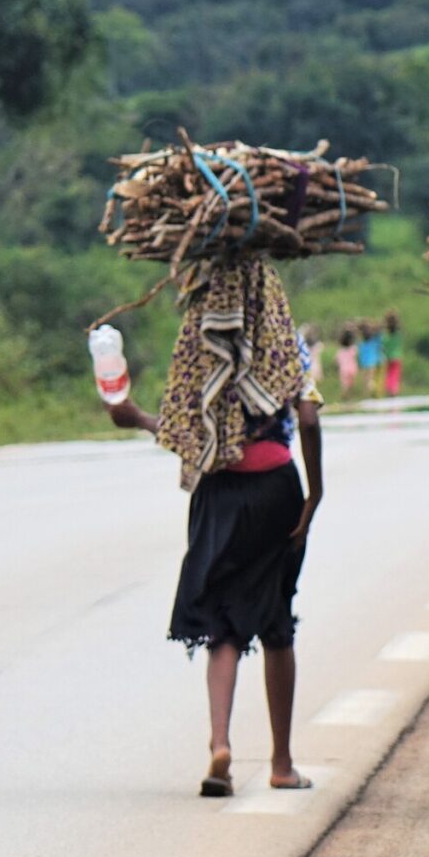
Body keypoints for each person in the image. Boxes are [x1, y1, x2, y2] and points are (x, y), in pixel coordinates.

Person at [103, 258, 324, 797]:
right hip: (276, 487)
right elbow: (310, 418)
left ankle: (219, 744)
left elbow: (184, 432)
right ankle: (281, 763)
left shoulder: (197, 348)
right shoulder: (282, 343)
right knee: (276, 623)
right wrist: (315, 492)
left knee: (222, 625)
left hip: (218, 494)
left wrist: (134, 417)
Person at [332, 321, 361, 399]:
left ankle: (345, 397)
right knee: (351, 385)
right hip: (352, 368)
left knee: (344, 385)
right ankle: (350, 397)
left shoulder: (340, 351)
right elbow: (357, 356)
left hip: (343, 370)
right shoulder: (353, 348)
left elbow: (335, 360)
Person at [380, 307, 404, 397]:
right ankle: (394, 391)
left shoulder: (385, 336)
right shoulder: (398, 335)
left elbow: (382, 348)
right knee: (395, 374)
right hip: (397, 357)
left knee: (389, 374)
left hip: (387, 358)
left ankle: (389, 389)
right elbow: (398, 326)